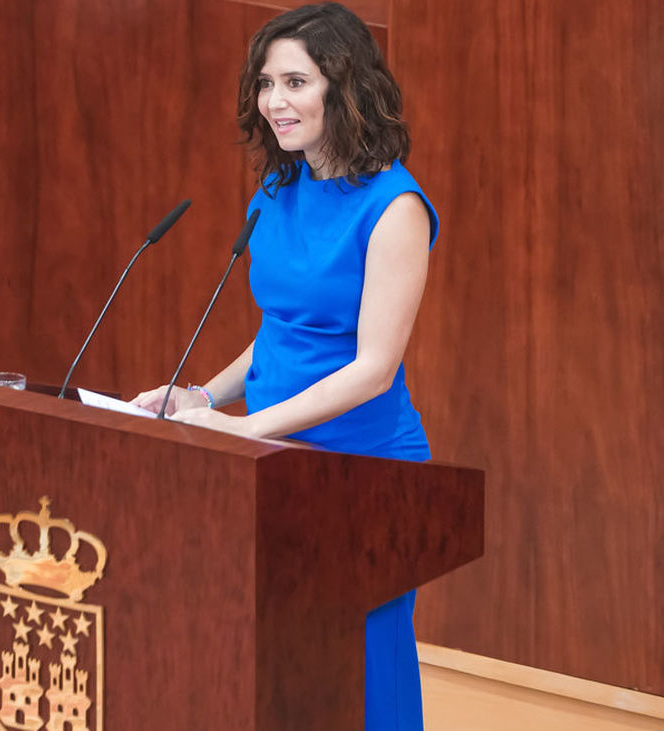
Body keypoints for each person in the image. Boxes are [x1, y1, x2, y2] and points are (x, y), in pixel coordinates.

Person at [131, 3, 437, 728]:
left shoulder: (396, 207)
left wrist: (247, 430)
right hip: (266, 454)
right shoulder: (277, 191)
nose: (274, 102)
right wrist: (201, 393)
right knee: (267, 653)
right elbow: (280, 331)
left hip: (359, 466)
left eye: (296, 81)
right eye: (266, 83)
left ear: (345, 85)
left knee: (360, 662)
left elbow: (372, 367)